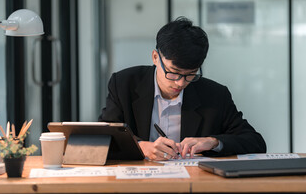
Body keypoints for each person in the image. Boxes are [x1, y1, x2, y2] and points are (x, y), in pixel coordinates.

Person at [98, 17, 266, 161]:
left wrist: (213, 142)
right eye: (174, 73)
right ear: (156, 57)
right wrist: (141, 147)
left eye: (191, 74)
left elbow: (255, 142)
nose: (180, 83)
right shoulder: (124, 84)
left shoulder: (215, 95)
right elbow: (103, 138)